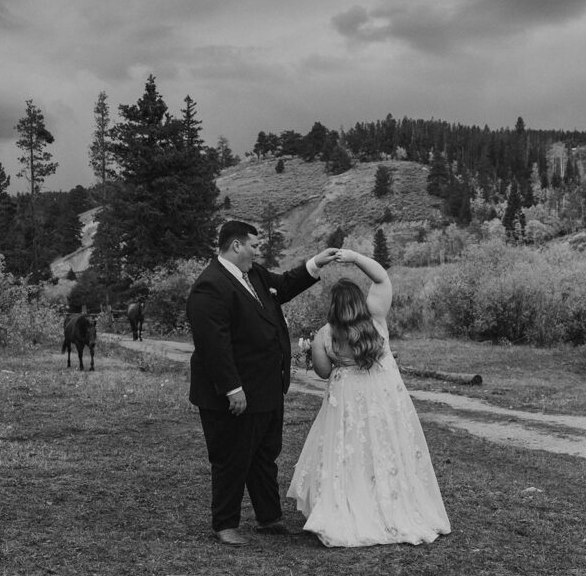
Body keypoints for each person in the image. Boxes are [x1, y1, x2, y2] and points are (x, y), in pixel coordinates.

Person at [187, 220, 338, 546]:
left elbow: (284, 285)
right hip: (233, 393)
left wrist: (316, 263)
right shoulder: (209, 286)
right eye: (254, 245)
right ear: (236, 245)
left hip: (266, 387)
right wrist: (232, 388)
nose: (258, 251)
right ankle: (225, 524)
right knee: (231, 457)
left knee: (264, 455)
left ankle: (269, 518)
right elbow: (213, 345)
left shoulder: (253, 274)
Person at [287, 248, 451, 547]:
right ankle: (391, 503)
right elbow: (382, 277)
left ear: (334, 305)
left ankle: (350, 503)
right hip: (381, 398)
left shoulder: (325, 334)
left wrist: (311, 351)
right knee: (385, 446)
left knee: (349, 451)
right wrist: (354, 257)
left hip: (346, 400)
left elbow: (323, 372)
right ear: (359, 300)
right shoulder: (376, 318)